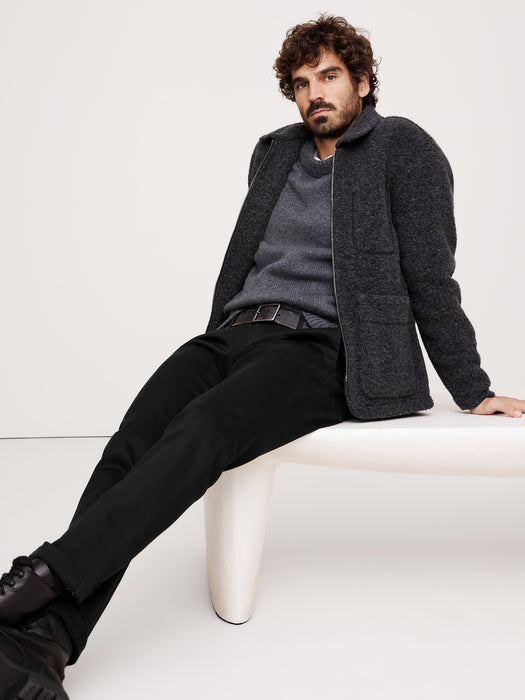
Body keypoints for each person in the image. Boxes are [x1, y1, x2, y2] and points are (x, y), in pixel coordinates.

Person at [1, 14, 523, 699]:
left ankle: (41, 577)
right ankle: (43, 644)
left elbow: (431, 275)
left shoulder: (403, 148)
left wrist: (471, 385)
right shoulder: (275, 152)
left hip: (321, 348)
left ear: (364, 81)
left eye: (330, 76)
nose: (315, 93)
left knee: (203, 429)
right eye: (302, 83)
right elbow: (247, 259)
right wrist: (218, 335)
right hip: (234, 333)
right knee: (130, 444)